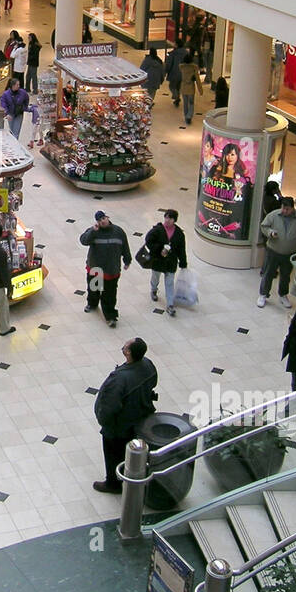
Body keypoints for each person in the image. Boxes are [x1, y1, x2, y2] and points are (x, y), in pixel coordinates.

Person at [92, 338, 157, 494]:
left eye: (126, 345)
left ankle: (113, 483)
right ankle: (133, 472)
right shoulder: (148, 364)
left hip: (119, 426)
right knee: (129, 449)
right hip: (141, 417)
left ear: (128, 352)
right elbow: (153, 382)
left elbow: (109, 406)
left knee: (113, 453)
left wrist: (105, 421)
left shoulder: (120, 378)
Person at [258, 197, 296, 308]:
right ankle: (263, 294)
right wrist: (270, 232)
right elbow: (264, 226)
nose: (284, 211)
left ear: (292, 208)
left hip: (289, 253)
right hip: (273, 251)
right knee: (268, 273)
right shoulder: (274, 215)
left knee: (286, 276)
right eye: (283, 208)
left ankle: (283, 295)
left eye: (287, 209)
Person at [80, 211, 132, 328]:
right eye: (99, 220)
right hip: (95, 268)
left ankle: (110, 316)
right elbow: (83, 241)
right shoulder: (94, 231)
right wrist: (93, 231)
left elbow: (125, 247)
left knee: (110, 295)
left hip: (111, 269)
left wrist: (127, 260)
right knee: (94, 289)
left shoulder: (118, 232)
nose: (102, 221)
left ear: (108, 218)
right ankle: (92, 304)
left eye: (103, 218)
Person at [143, 209, 187, 316]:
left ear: (174, 220)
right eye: (166, 217)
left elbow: (181, 249)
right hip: (158, 260)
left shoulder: (179, 234)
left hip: (171, 262)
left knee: (169, 282)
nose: (167, 220)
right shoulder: (158, 230)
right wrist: (159, 249)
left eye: (170, 218)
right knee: (155, 277)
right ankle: (153, 289)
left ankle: (170, 304)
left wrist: (183, 262)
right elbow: (148, 241)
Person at [1, 76, 29, 140]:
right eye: (17, 85)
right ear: (13, 86)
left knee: (16, 132)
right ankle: (13, 144)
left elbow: (26, 99)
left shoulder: (22, 92)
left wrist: (24, 107)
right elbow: (3, 104)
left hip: (19, 114)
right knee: (12, 130)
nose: (19, 86)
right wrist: (6, 113)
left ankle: (15, 145)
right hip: (10, 114)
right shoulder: (6, 94)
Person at [178, 49, 201, 125]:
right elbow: (197, 80)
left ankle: (186, 116)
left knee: (185, 103)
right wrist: (200, 90)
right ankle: (189, 116)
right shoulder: (194, 68)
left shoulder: (181, 68)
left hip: (183, 88)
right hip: (191, 88)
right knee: (191, 103)